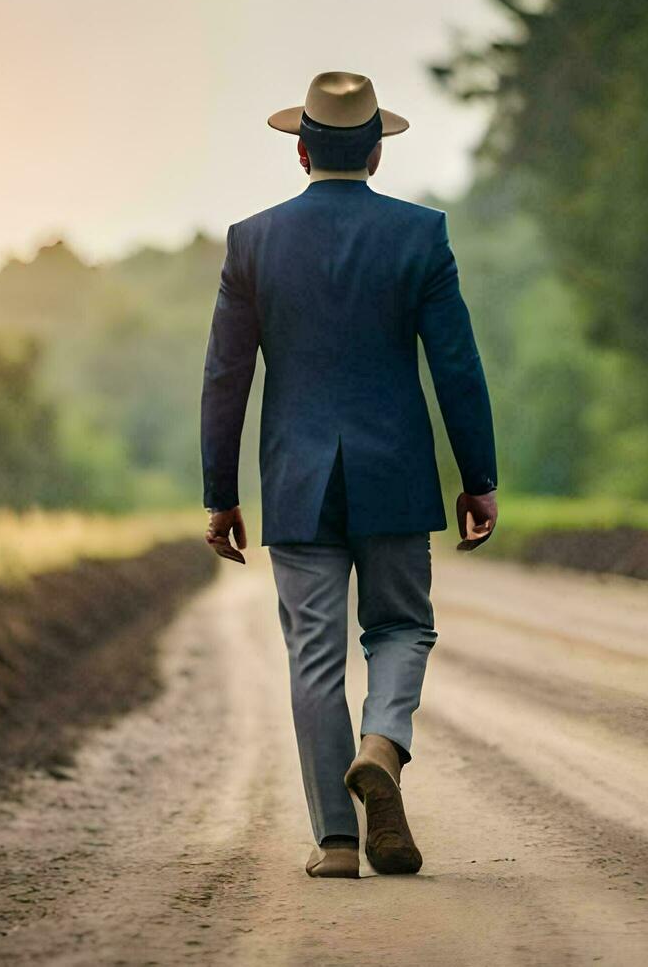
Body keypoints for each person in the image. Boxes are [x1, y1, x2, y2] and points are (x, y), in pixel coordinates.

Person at [200, 71, 498, 879]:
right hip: (396, 472)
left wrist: (221, 495)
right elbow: (457, 367)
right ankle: (382, 744)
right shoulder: (420, 235)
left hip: (297, 482)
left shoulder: (251, 242)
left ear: (300, 150)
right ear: (376, 153)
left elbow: (226, 377)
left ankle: (335, 842)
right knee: (402, 628)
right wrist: (479, 475)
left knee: (314, 660)